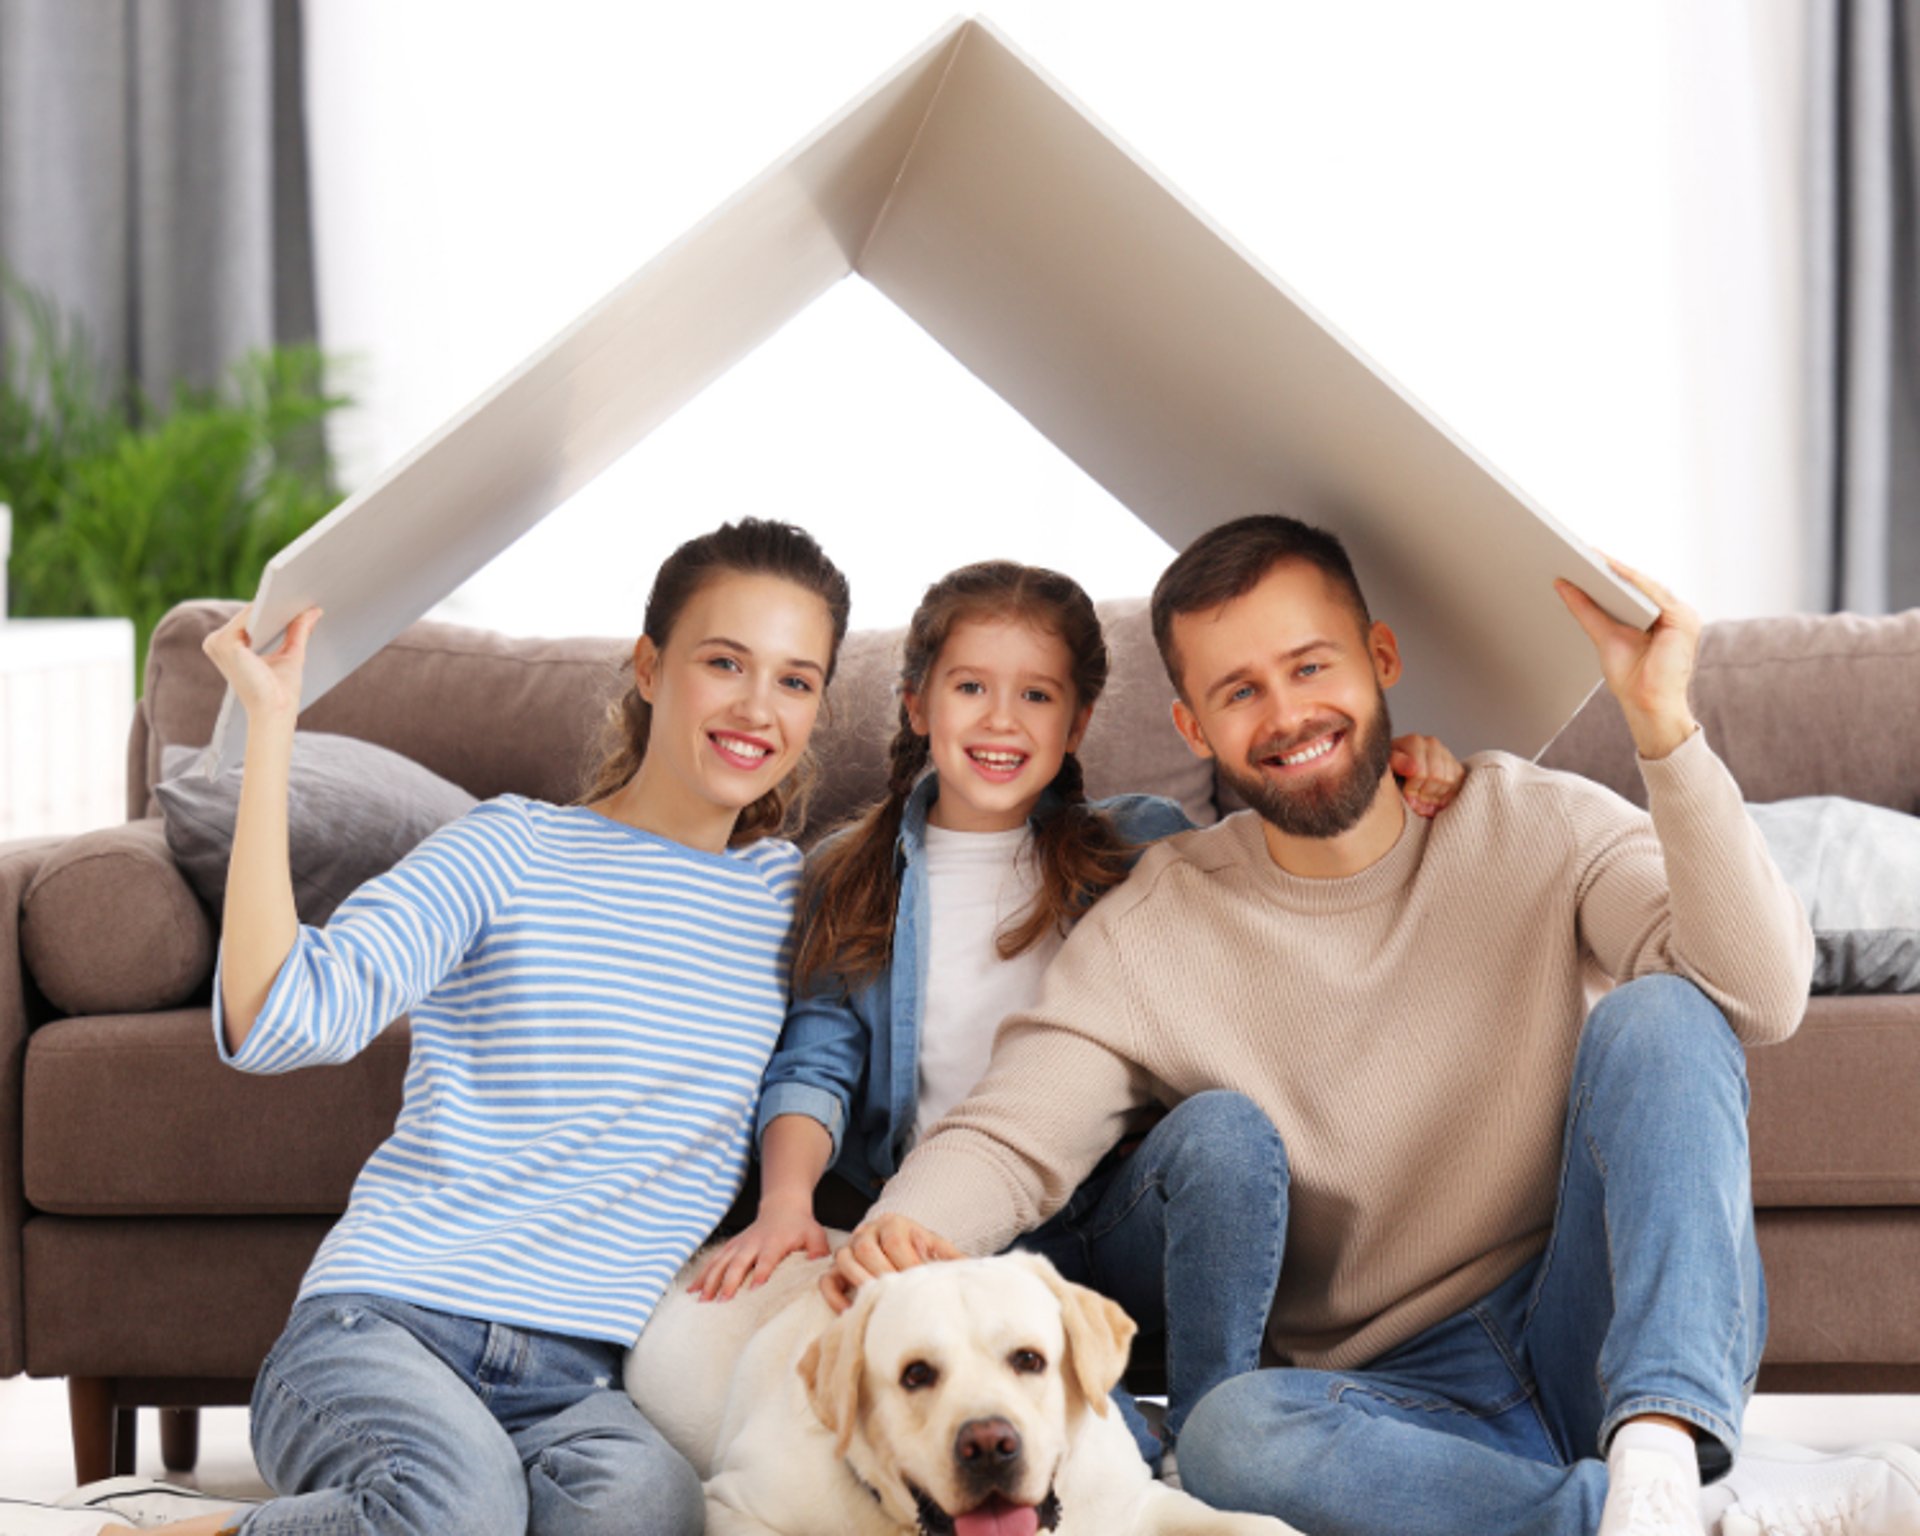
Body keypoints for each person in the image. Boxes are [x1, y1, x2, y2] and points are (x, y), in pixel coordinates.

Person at [824, 515, 1920, 1536]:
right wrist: (896, 1237)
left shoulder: (1537, 820)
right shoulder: (1153, 926)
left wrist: (1662, 729)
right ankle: (1677, 1515)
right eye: (1241, 691)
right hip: (1387, 1402)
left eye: (1311, 667)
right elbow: (1015, 1131)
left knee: (1665, 1012)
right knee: (1227, 1436)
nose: (1290, 713)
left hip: (1590, 1320)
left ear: (1380, 660)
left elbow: (1758, 997)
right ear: (1192, 725)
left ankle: (1663, 1452)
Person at [23, 520, 850, 1536]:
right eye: (724, 662)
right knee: (458, 1510)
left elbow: (845, 1040)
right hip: (382, 1330)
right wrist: (271, 731)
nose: (756, 708)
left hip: (581, 1383)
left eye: (795, 680)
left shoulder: (789, 898)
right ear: (649, 666)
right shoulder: (510, 847)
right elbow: (281, 1016)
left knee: (649, 1512)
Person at [689, 558, 1464, 1464]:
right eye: (971, 687)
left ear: (1079, 720)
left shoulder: (1140, 843)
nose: (1002, 721)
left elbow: (1294, 831)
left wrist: (1400, 768)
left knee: (1224, 1129)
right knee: (1104, 1463)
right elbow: (814, 1063)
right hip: (965, 1235)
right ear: (916, 705)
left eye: (1038, 696)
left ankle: (1225, 1424)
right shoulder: (846, 871)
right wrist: (786, 1202)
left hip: (1119, 1213)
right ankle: (1143, 1451)